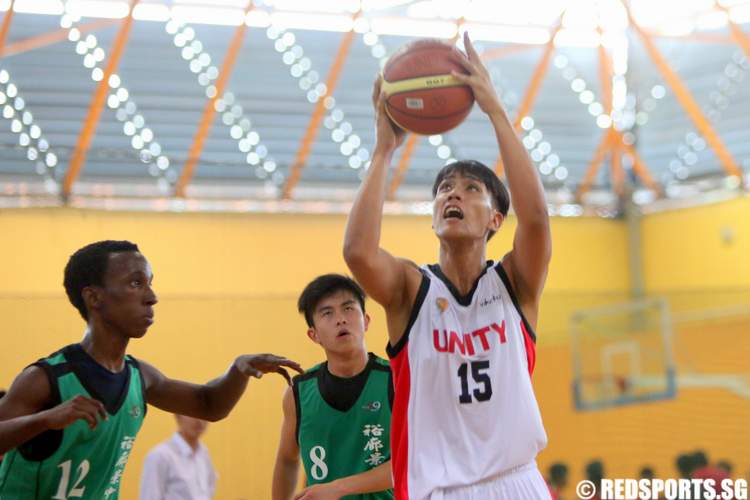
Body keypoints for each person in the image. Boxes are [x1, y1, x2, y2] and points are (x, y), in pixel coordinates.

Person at [344, 31, 552, 499]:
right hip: (440, 489)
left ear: (496, 219)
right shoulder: (409, 289)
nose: (453, 193)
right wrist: (383, 150)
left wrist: (495, 109)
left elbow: (536, 218)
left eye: (471, 188)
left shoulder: (515, 283)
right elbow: (358, 251)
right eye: (444, 188)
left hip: (517, 481)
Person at [0, 240, 301, 499]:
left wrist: (238, 371)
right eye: (135, 283)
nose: (152, 297)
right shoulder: (44, 379)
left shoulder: (140, 377)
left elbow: (210, 405)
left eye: (150, 283)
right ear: (94, 298)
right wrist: (45, 420)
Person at [272, 274, 393, 500]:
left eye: (348, 309)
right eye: (327, 313)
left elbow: (414, 462)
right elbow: (287, 460)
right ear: (313, 334)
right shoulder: (298, 393)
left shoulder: (396, 380)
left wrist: (337, 488)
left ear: (366, 320)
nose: (340, 319)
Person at [139, 414, 217, 499]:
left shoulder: (203, 453)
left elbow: (209, 490)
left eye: (204, 414)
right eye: (192, 413)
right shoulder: (160, 455)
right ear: (178, 416)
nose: (199, 420)